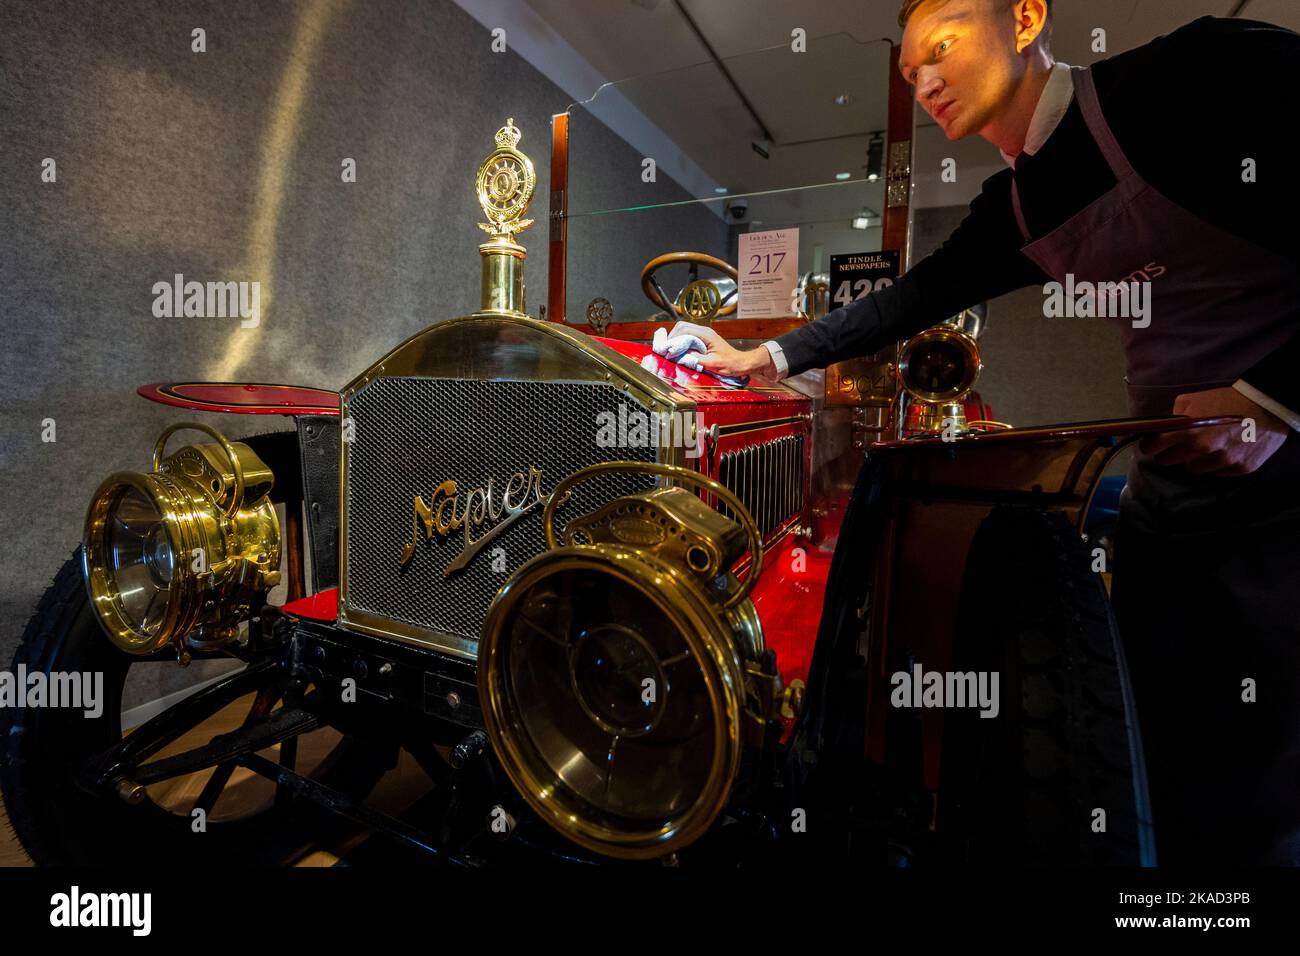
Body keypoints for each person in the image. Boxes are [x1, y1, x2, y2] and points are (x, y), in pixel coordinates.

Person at [690, 0, 1300, 865]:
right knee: (1156, 753)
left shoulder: (1199, 72)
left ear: (1025, 18)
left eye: (941, 47)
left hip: (1284, 494)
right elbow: (909, 300)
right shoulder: (1017, 205)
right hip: (1176, 491)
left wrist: (1273, 400)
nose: (925, 80)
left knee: (1267, 784)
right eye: (909, 73)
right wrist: (771, 355)